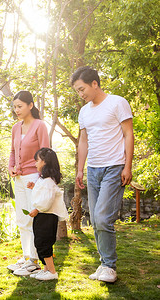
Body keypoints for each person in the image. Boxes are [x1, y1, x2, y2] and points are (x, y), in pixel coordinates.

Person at [71, 66, 134, 283]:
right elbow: (84, 141)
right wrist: (80, 169)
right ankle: (104, 263)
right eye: (77, 91)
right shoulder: (84, 111)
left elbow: (128, 134)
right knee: (96, 218)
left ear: (94, 83)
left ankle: (109, 266)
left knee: (103, 218)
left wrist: (128, 166)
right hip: (93, 169)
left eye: (82, 89)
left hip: (114, 166)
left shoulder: (117, 102)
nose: (81, 94)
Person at [7, 91, 50, 276]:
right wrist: (11, 167)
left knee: (33, 219)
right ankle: (27, 257)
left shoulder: (40, 126)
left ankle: (34, 260)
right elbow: (11, 152)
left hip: (34, 178)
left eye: (20, 106)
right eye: (15, 106)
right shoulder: (16, 128)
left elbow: (46, 153)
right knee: (22, 219)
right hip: (18, 178)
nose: (16, 110)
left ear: (30, 105)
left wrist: (41, 178)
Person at [27, 148, 68, 281]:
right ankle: (46, 270)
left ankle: (52, 271)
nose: (35, 163)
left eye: (37, 160)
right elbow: (43, 194)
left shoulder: (48, 181)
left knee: (43, 242)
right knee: (40, 241)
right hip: (44, 216)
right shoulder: (44, 180)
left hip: (46, 215)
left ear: (44, 162)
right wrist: (34, 187)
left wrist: (37, 210)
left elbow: (46, 201)